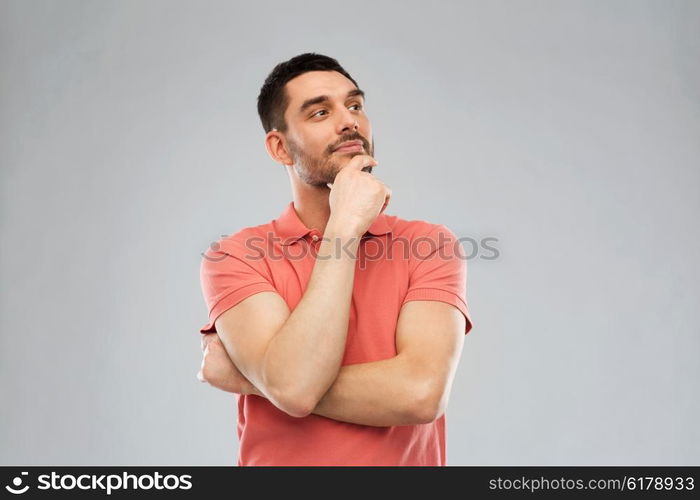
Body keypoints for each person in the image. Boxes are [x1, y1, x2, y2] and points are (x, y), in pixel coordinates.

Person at [197, 53, 473, 466]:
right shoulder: (237, 257)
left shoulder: (428, 244)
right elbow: (292, 386)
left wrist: (256, 380)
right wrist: (343, 227)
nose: (349, 121)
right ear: (279, 147)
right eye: (321, 112)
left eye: (355, 105)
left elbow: (420, 393)